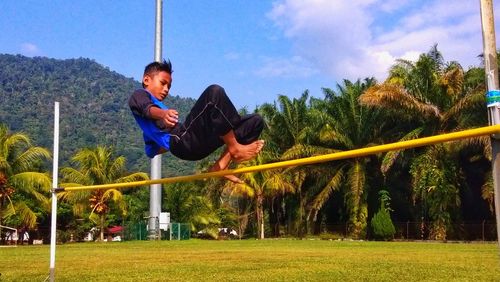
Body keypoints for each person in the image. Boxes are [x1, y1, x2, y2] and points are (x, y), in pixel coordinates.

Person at [129, 60, 265, 183]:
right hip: (184, 142)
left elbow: (150, 151)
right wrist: (163, 114)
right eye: (163, 83)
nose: (166, 90)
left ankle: (220, 165)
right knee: (214, 92)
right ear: (146, 80)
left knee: (254, 121)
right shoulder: (140, 94)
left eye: (169, 86)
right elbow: (146, 108)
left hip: (196, 145)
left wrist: (165, 142)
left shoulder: (150, 128)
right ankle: (234, 148)